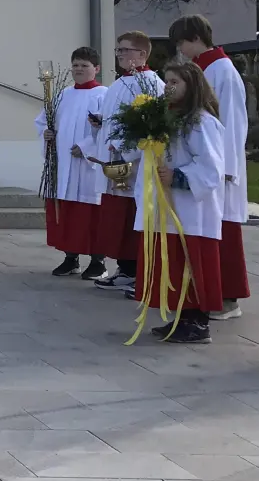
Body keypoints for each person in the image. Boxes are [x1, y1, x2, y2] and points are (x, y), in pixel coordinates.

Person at [129, 60, 225, 344]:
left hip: (191, 209)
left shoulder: (202, 122)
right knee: (173, 260)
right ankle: (182, 316)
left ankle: (198, 321)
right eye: (167, 81)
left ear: (192, 86)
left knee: (190, 260)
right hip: (166, 205)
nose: (168, 87)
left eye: (175, 82)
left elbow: (212, 167)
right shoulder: (164, 120)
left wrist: (179, 176)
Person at [170, 15, 249, 320]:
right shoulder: (203, 69)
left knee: (223, 233)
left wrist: (226, 167)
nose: (180, 49)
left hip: (220, 168)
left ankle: (229, 297)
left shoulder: (222, 70)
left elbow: (231, 121)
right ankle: (206, 293)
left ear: (195, 38)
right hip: (204, 162)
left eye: (181, 42)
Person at [89, 30, 164, 291]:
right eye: (118, 50)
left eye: (126, 50)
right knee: (116, 218)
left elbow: (150, 126)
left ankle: (137, 272)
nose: (120, 54)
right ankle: (124, 269)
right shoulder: (119, 83)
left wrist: (122, 145)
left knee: (133, 216)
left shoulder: (151, 84)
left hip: (133, 164)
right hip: (114, 162)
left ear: (142, 54)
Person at [36, 47, 109, 279]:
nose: (78, 69)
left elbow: (107, 127)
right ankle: (71, 258)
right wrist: (46, 133)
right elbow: (43, 121)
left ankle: (98, 262)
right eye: (75, 65)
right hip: (64, 164)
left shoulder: (103, 95)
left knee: (90, 215)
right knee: (67, 214)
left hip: (88, 167)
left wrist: (87, 148)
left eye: (84, 65)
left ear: (96, 69)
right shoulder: (62, 94)